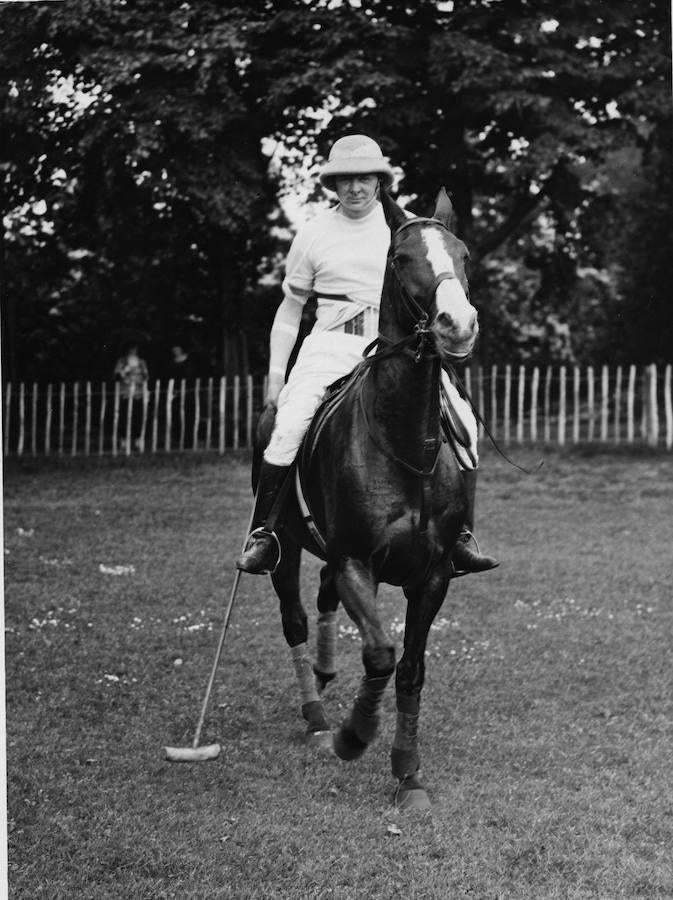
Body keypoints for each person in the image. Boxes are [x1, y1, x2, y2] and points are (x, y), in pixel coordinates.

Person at [237, 134, 498, 577]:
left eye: (365, 178)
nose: (355, 187)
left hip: (399, 347)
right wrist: (276, 375)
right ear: (333, 185)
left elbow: (440, 283)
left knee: (466, 424)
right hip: (331, 344)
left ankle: (459, 538)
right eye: (345, 180)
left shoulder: (411, 228)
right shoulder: (313, 233)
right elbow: (291, 306)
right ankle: (267, 535)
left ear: (380, 181)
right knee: (288, 425)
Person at [114, 343, 149, 450]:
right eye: (131, 349)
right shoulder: (122, 362)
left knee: (137, 417)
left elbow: (146, 377)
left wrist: (140, 381)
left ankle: (137, 440)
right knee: (124, 417)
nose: (133, 350)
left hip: (138, 394)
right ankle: (123, 440)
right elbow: (116, 376)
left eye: (135, 348)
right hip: (125, 394)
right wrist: (125, 370)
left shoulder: (142, 362)